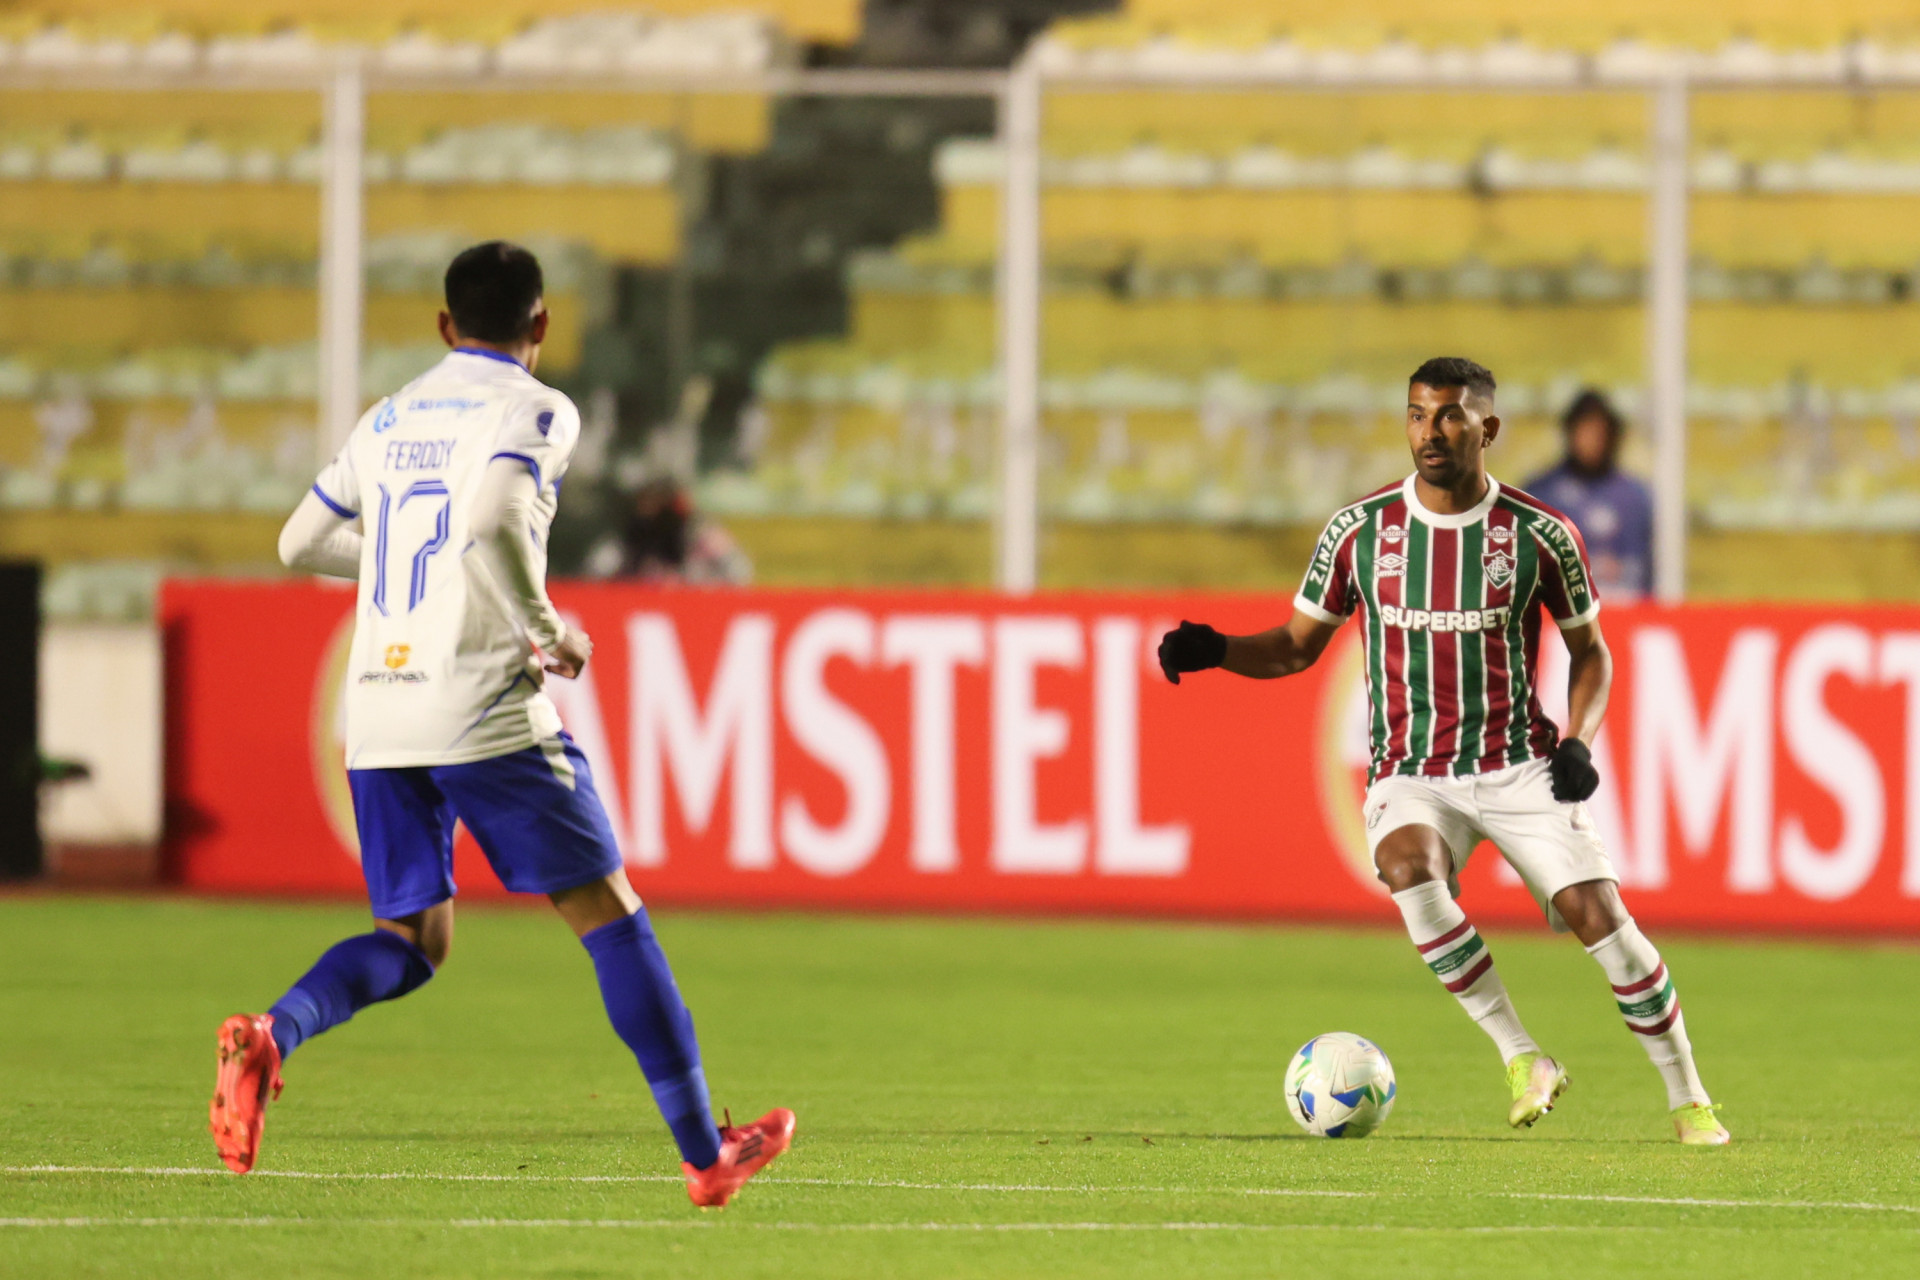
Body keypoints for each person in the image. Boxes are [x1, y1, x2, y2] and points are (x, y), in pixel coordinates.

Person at [210, 241, 794, 1205]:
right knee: (608, 914)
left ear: (444, 325)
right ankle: (706, 1154)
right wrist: (547, 628)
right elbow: (487, 522)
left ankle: (276, 1031)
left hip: (380, 709)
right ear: (541, 325)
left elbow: (300, 541)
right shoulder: (535, 409)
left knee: (412, 938)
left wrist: (413, 565)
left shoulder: (388, 416)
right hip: (482, 702)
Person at [1156, 356, 1727, 1146]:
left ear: (1487, 428)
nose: (1432, 431)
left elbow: (1592, 652)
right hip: (1412, 771)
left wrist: (1578, 740)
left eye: (1451, 415)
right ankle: (1524, 1057)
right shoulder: (1359, 532)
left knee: (1602, 921)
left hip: (1519, 763)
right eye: (1419, 414)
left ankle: (1690, 1098)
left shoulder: (1538, 534)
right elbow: (1294, 648)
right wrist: (1216, 648)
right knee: (1405, 867)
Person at [1524, 390, 1655, 601]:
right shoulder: (1541, 493)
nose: (1592, 441)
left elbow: (1643, 570)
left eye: (1599, 432)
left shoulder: (1634, 497)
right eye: (1585, 431)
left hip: (1619, 608)